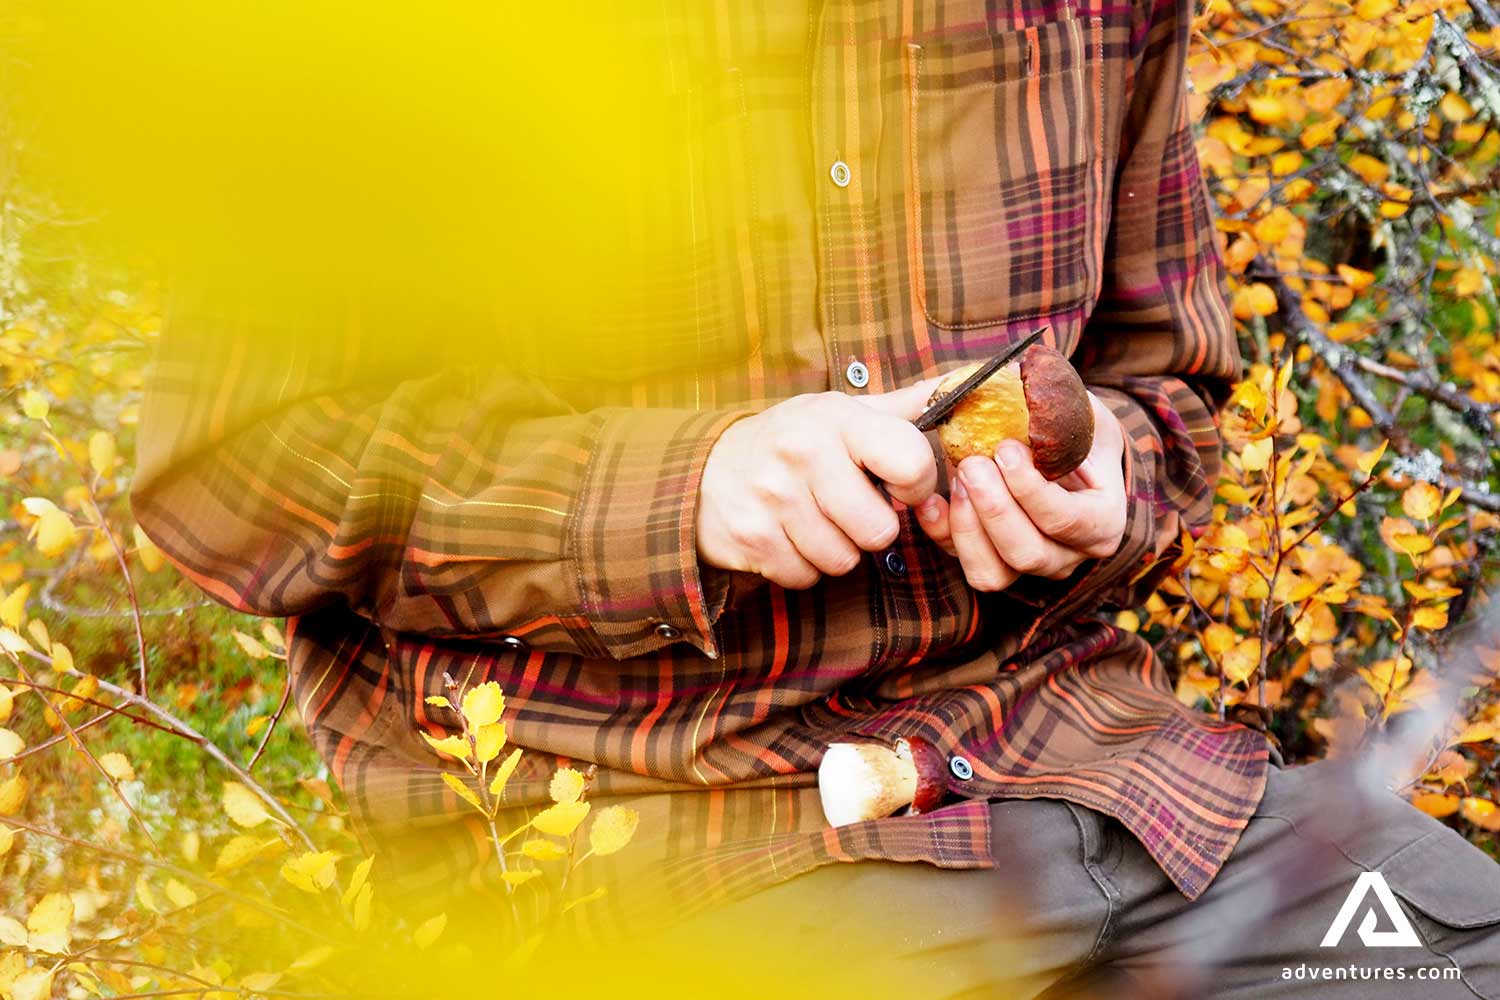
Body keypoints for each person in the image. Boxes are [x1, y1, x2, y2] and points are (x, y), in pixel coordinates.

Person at [132, 0, 1500, 995]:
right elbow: (232, 470)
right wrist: (682, 491)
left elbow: (1170, 383)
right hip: (654, 836)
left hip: (1091, 774)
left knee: (1464, 952)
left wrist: (1113, 487)